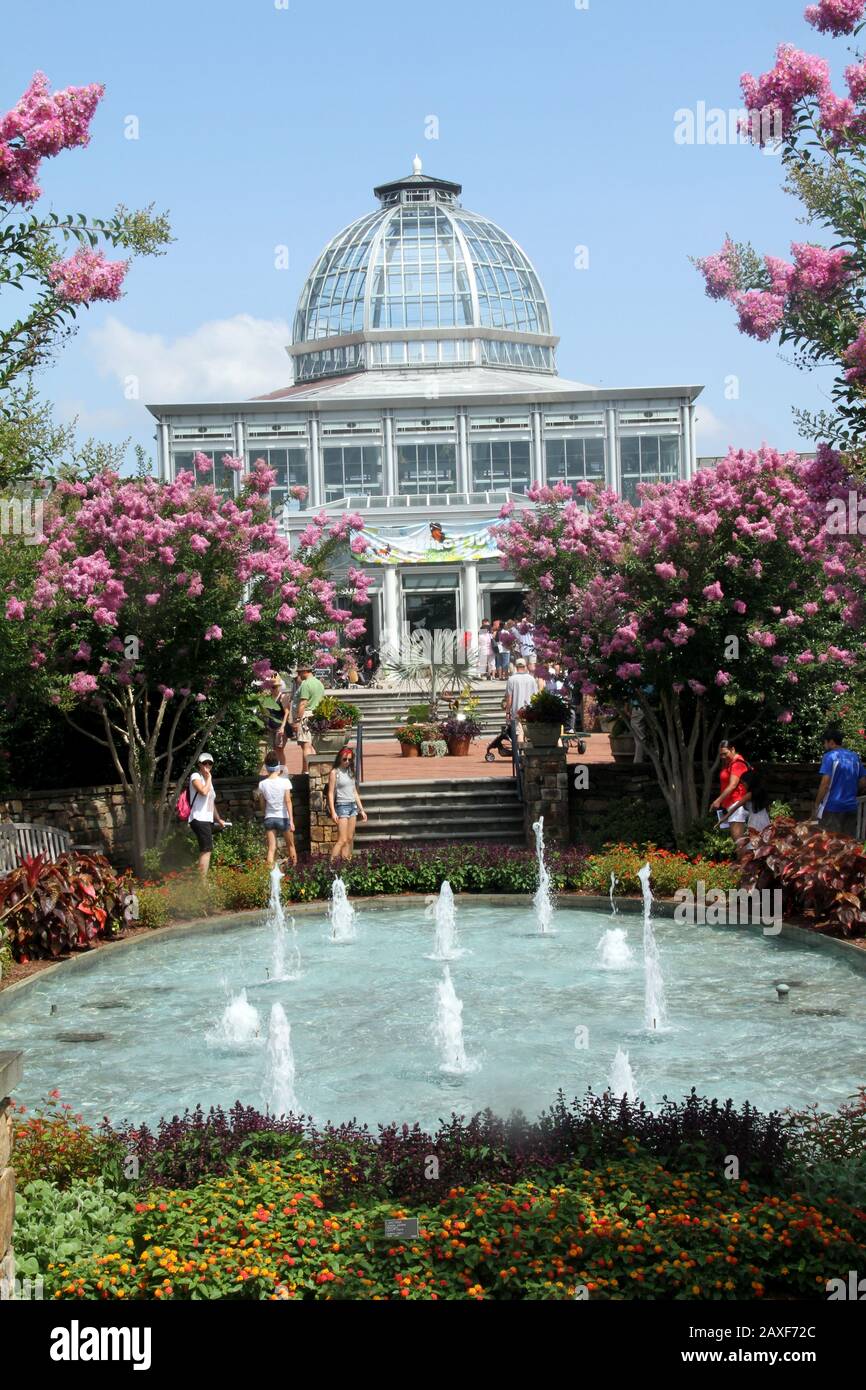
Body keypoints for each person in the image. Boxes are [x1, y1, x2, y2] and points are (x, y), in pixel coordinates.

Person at [812, 725, 866, 837]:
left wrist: (816, 804)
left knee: (829, 846)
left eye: (825, 742)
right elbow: (863, 783)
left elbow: (824, 784)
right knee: (847, 846)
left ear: (831, 742)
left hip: (832, 808)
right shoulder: (854, 757)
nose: (824, 745)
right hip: (851, 807)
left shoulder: (830, 756)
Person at [327, 747, 367, 869]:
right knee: (342, 839)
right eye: (344, 759)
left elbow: (354, 791)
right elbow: (330, 793)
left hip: (352, 807)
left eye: (349, 759)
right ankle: (331, 866)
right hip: (342, 806)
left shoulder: (350, 771)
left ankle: (345, 866)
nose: (347, 762)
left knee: (349, 839)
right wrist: (333, 811)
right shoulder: (335, 772)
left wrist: (362, 810)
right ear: (339, 758)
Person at [188, 752, 227, 878]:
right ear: (199, 764)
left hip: (207, 819)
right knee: (206, 849)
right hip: (198, 818)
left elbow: (211, 802)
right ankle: (202, 883)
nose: (207, 765)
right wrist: (209, 777)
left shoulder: (207, 781)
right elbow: (203, 792)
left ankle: (201, 880)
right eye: (205, 763)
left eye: (210, 763)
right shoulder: (196, 776)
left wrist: (218, 819)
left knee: (206, 849)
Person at [709, 738, 750, 854]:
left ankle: (746, 871)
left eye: (725, 753)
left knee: (740, 843)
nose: (722, 757)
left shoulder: (737, 764)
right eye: (721, 754)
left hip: (737, 805)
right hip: (732, 805)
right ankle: (745, 870)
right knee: (739, 842)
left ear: (733, 749)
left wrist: (718, 800)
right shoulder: (730, 764)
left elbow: (733, 785)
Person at [257, 754, 297, 867]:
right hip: (283, 817)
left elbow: (262, 803)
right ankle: (294, 872)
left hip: (269, 817)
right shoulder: (285, 782)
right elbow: (288, 801)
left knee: (271, 848)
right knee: (291, 846)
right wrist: (292, 821)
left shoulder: (262, 784)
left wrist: (265, 814)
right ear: (278, 765)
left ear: (266, 766)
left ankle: (269, 875)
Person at [292, 661, 326, 774]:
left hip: (306, 715)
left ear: (306, 671)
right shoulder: (319, 683)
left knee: (306, 745)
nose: (299, 675)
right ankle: (310, 770)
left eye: (300, 672)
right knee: (312, 746)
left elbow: (303, 704)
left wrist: (297, 720)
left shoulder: (306, 684)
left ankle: (307, 771)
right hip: (317, 715)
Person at [505, 656, 539, 744]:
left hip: (517, 711)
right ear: (525, 666)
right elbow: (536, 696)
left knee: (520, 733)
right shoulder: (531, 679)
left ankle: (520, 754)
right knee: (529, 733)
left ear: (516, 667)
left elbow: (509, 698)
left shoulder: (511, 679)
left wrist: (507, 712)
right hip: (530, 710)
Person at [267, 671, 293, 767]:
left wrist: (282, 727)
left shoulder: (283, 697)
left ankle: (282, 770)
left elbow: (287, 712)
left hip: (279, 726)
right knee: (272, 750)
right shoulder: (268, 698)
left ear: (278, 686)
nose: (272, 689)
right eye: (271, 687)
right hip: (270, 726)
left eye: (274, 687)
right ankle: (274, 769)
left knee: (279, 749)